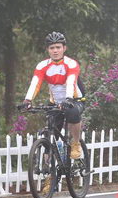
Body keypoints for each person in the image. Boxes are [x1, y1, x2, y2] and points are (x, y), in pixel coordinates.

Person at [21, 32, 85, 179]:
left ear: (64, 48)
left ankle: (75, 143)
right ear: (48, 50)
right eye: (51, 48)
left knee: (72, 113)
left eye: (58, 47)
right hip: (55, 102)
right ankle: (48, 166)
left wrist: (68, 99)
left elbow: (71, 81)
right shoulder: (43, 66)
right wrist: (27, 100)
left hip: (74, 99)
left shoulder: (71, 64)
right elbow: (35, 83)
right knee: (49, 131)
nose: (55, 50)